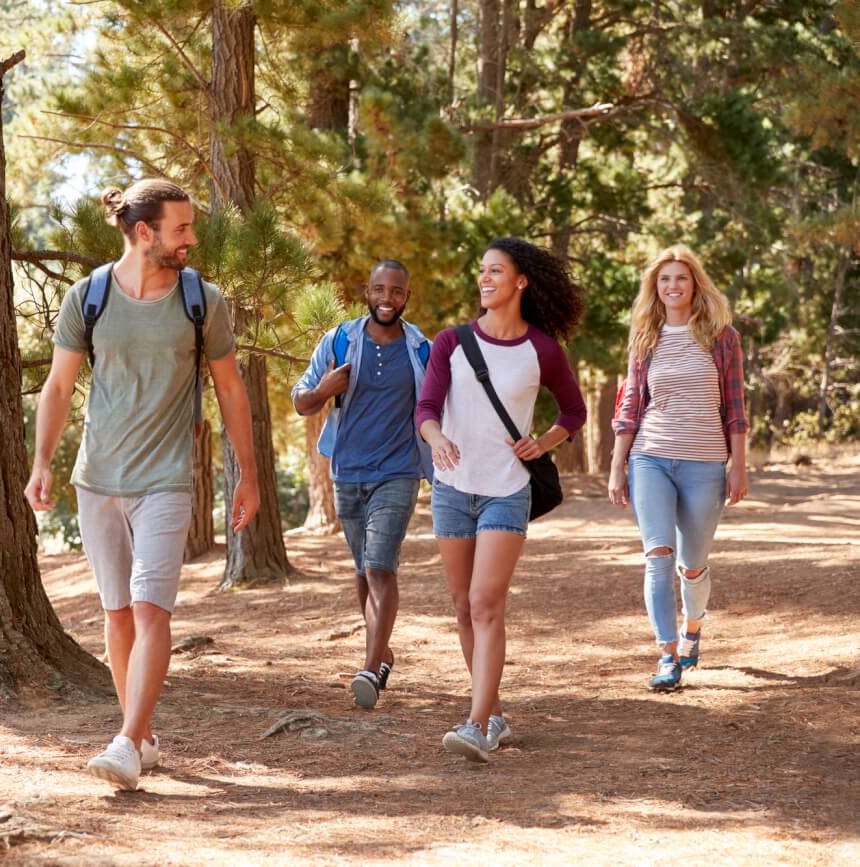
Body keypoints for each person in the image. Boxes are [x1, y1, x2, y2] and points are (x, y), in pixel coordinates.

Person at [25, 179, 260, 791]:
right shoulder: (90, 296)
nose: (192, 238)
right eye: (181, 228)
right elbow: (57, 387)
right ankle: (143, 732)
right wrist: (42, 462)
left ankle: (126, 742)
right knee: (118, 613)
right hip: (98, 479)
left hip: (166, 478)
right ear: (143, 232)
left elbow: (231, 389)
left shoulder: (202, 300)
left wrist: (248, 474)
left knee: (153, 607)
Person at [415, 237, 586, 763]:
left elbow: (573, 412)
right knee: (464, 608)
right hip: (452, 490)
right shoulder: (451, 341)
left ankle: (475, 725)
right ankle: (491, 714)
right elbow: (425, 407)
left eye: (496, 271)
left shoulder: (542, 350)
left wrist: (545, 441)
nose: (484, 279)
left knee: (487, 603)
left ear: (520, 282)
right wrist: (437, 438)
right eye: (481, 272)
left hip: (507, 491)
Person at [292, 260, 434, 710]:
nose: (387, 299)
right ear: (366, 292)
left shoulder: (420, 348)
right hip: (347, 470)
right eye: (379, 290)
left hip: (399, 470)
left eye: (396, 291)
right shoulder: (338, 340)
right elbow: (301, 399)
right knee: (360, 571)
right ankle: (384, 651)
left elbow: (437, 407)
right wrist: (324, 388)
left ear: (406, 296)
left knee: (379, 567)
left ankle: (370, 669)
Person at [608, 245, 748, 692]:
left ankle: (693, 628)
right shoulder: (645, 338)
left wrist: (739, 466)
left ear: (694, 285)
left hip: (704, 460)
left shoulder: (722, 338)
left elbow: (736, 409)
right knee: (657, 557)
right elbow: (630, 404)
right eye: (664, 279)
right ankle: (666, 653)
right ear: (656, 287)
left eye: (681, 279)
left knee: (692, 564)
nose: (673, 286)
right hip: (649, 457)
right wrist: (617, 464)